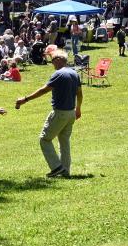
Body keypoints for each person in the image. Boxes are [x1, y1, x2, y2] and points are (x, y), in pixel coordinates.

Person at [15, 49, 83, 178]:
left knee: (44, 139)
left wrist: (25, 99)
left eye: (52, 61)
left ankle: (56, 167)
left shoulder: (58, 74)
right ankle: (65, 171)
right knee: (64, 141)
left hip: (60, 113)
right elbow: (79, 93)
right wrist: (78, 109)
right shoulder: (74, 73)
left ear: (58, 60)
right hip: (71, 113)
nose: (52, 64)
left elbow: (43, 90)